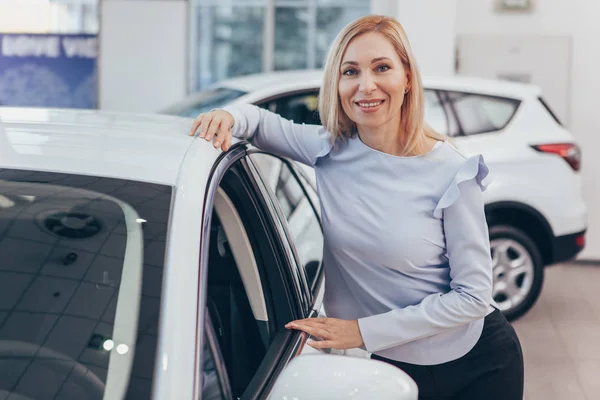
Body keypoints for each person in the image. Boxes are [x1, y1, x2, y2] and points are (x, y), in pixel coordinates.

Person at [189, 14, 524, 400]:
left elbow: (473, 296)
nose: (366, 86)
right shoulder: (328, 150)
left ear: (407, 78)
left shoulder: (450, 172)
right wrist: (228, 115)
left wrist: (360, 331)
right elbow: (259, 123)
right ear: (337, 83)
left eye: (382, 67)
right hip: (388, 367)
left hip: (478, 365)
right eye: (351, 72)